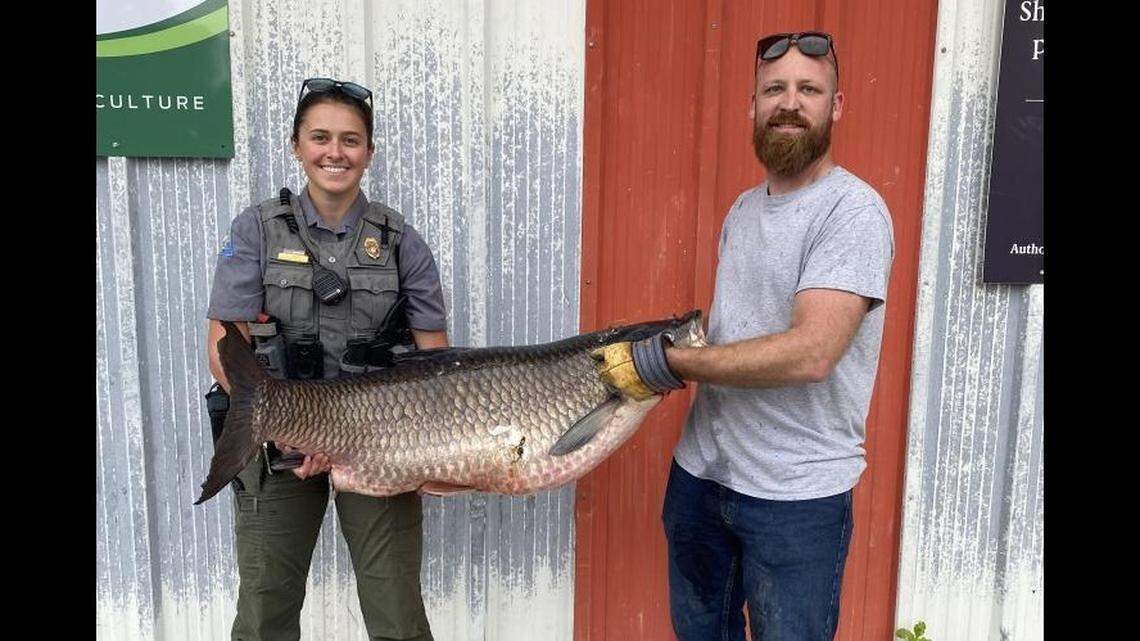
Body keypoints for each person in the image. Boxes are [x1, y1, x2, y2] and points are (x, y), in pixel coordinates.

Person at [592, 32, 895, 641]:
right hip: (702, 477)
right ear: (751, 107)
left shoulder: (852, 213)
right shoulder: (742, 209)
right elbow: (739, 329)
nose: (789, 103)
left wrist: (670, 363)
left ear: (836, 107)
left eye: (809, 90)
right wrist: (668, 347)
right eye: (774, 90)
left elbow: (812, 353)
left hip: (795, 495)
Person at [206, 77, 448, 641]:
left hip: (381, 443)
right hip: (275, 440)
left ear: (369, 152)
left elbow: (436, 363)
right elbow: (224, 346)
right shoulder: (256, 230)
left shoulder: (401, 242)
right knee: (266, 602)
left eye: (350, 139)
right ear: (296, 146)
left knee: (396, 606)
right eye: (319, 137)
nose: (334, 152)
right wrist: (293, 434)